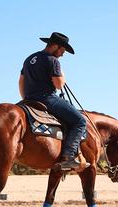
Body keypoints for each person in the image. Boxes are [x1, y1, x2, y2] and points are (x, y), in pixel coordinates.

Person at [18, 32, 87, 170]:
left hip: (28, 100)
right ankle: (68, 157)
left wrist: (25, 99)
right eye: (63, 50)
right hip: (47, 99)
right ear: (55, 46)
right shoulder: (52, 60)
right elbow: (59, 85)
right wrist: (62, 74)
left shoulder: (29, 58)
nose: (62, 54)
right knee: (80, 121)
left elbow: (21, 81)